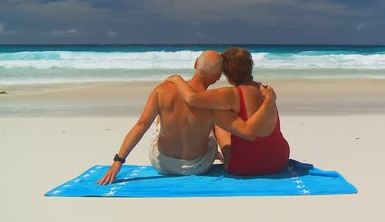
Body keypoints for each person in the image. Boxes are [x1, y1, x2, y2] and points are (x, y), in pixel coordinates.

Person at [97, 50, 278, 185]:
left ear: (195, 64)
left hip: (163, 164)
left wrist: (117, 162)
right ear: (217, 77)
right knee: (216, 126)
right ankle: (215, 152)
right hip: (199, 166)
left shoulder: (161, 90)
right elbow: (245, 130)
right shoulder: (213, 103)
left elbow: (140, 126)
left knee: (159, 119)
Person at [166, 47, 290, 176]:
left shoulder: (232, 94)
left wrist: (177, 79)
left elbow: (192, 98)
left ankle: (219, 155)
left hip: (246, 166)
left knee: (216, 113)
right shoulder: (266, 90)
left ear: (227, 75)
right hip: (279, 160)